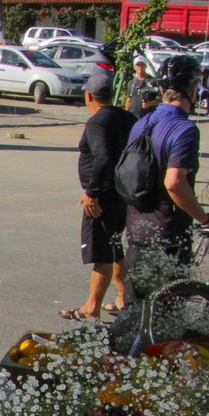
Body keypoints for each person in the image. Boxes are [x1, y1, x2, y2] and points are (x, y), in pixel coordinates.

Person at [124, 54, 209, 263]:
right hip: (168, 234)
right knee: (172, 285)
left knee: (139, 285)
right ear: (193, 89)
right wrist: (205, 220)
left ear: (162, 90)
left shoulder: (142, 123)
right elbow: (174, 183)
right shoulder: (185, 129)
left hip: (137, 229)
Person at [63, 70, 133, 320]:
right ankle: (123, 296)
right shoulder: (127, 117)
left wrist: (92, 192)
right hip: (122, 193)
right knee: (114, 245)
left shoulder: (97, 122)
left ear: (89, 96)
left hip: (103, 197)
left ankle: (91, 308)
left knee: (101, 252)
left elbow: (103, 157)